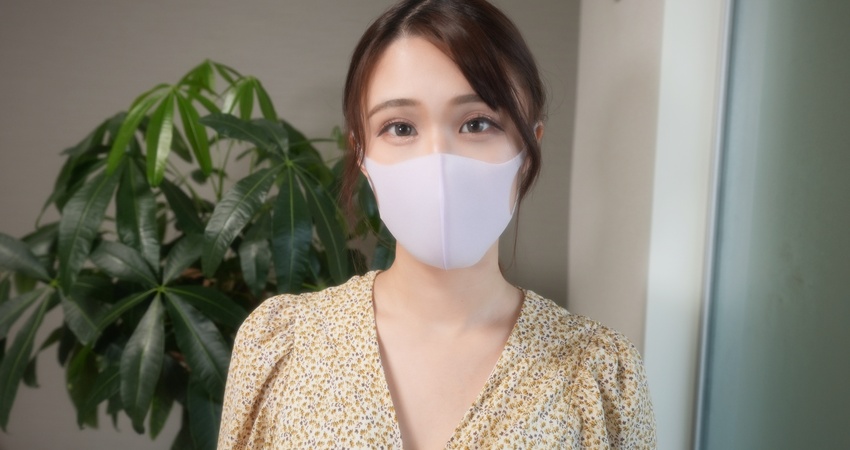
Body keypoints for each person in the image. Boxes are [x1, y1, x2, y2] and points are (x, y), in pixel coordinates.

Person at [217, 0, 656, 448]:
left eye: (477, 123)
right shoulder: (280, 344)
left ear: (530, 146)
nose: (438, 162)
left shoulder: (599, 372)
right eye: (400, 128)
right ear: (361, 152)